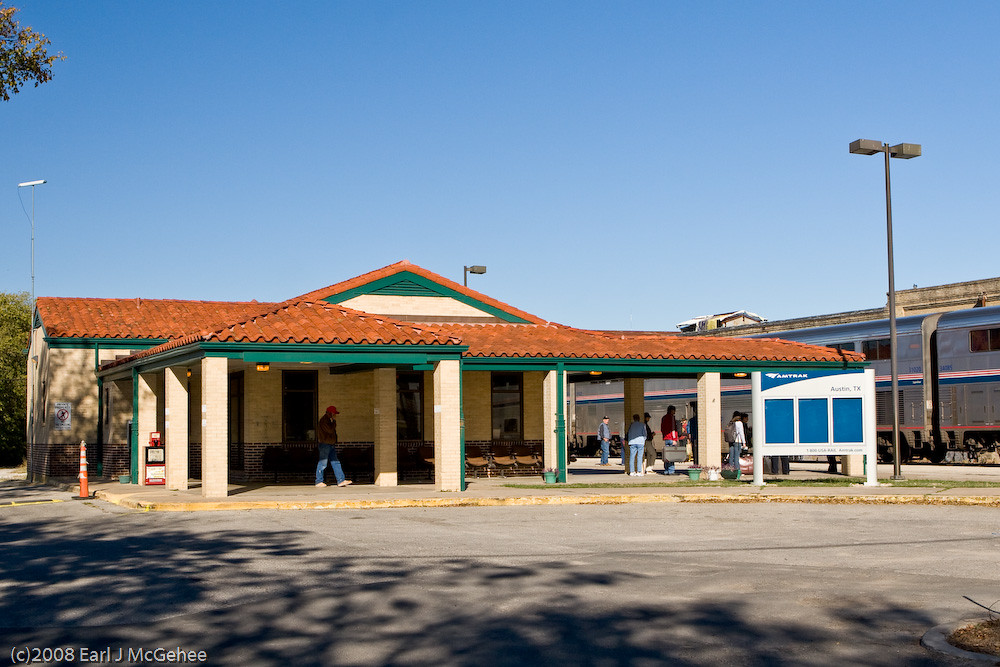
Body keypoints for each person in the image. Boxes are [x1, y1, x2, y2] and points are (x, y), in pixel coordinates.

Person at [315, 405, 353, 488]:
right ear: (330, 413)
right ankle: (319, 481)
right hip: (325, 444)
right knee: (323, 463)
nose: (335, 415)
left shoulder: (328, 420)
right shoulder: (324, 420)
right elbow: (330, 430)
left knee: (336, 462)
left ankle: (341, 480)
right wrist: (334, 421)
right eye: (334, 413)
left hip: (330, 444)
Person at [660, 405, 678, 470]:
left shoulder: (664, 418)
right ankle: (671, 470)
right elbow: (673, 428)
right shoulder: (672, 418)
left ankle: (666, 469)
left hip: (666, 438)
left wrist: (664, 436)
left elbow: (662, 428)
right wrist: (674, 439)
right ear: (671, 410)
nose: (675, 412)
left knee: (666, 455)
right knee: (671, 455)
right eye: (674, 410)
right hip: (671, 438)